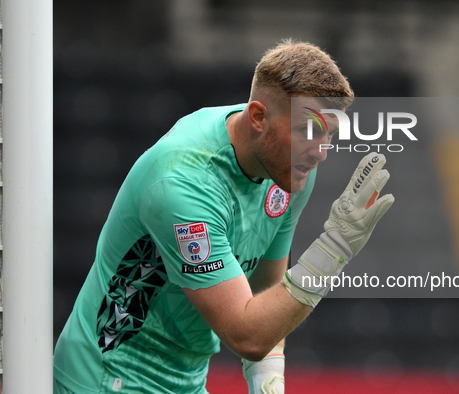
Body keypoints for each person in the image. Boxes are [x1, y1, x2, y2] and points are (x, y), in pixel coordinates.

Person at [54, 39, 394, 394]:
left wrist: (267, 378)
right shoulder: (184, 183)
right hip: (107, 377)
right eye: (309, 132)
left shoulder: (290, 169)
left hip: (185, 380)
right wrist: (334, 247)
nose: (321, 153)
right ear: (258, 117)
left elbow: (266, 290)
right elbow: (246, 334)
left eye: (329, 134)